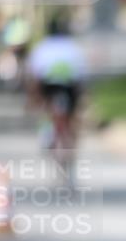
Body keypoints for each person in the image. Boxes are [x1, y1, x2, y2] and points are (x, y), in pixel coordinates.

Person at [27, 15, 88, 176]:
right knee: (72, 118)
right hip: (69, 86)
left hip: (49, 86)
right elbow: (81, 74)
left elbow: (35, 74)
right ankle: (71, 143)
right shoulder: (72, 46)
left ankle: (47, 133)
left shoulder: (42, 47)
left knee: (46, 110)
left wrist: (34, 97)